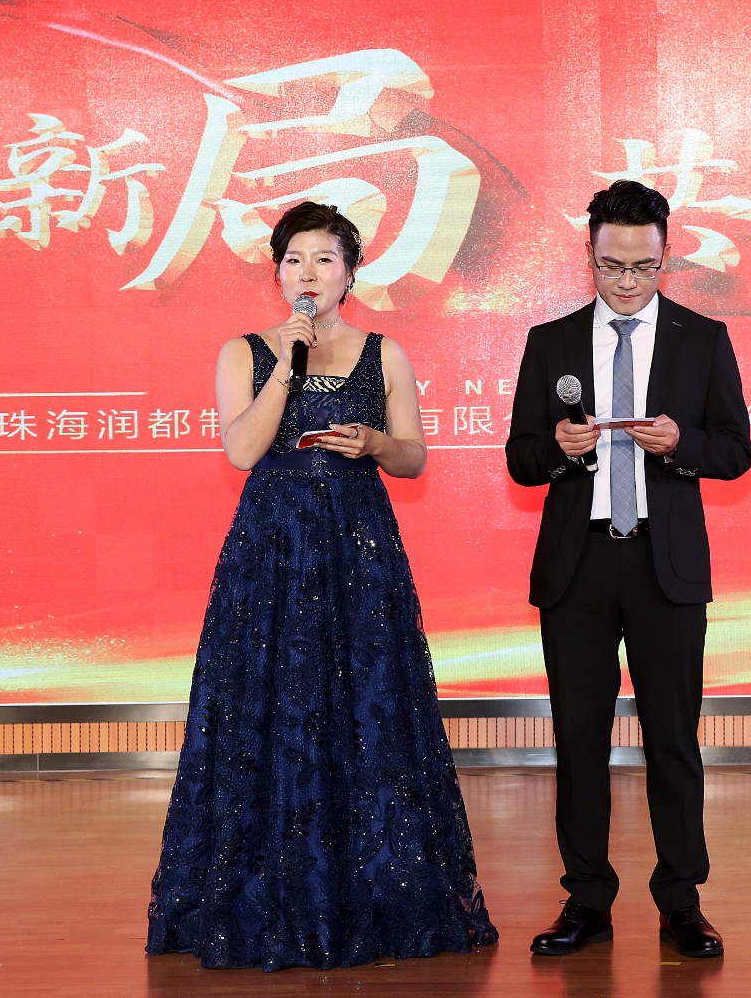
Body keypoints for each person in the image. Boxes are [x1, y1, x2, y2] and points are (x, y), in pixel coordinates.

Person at [146, 201, 497, 971]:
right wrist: (288, 366)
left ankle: (373, 886)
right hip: (272, 555)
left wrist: (375, 443)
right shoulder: (244, 352)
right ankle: (263, 888)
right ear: (277, 271)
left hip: (357, 549)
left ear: (351, 272)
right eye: (294, 259)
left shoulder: (384, 353)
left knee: (366, 701)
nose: (308, 273)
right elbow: (243, 450)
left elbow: (414, 458)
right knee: (270, 705)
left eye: (325, 259)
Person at [505, 180, 751, 959]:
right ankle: (587, 901)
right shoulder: (551, 341)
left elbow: (736, 451)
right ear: (589, 255)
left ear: (665, 256)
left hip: (663, 565)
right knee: (579, 741)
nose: (626, 281)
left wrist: (682, 444)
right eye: (611, 265)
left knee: (672, 740)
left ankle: (682, 903)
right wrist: (557, 450)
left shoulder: (701, 338)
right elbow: (520, 458)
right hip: (577, 567)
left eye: (643, 267)